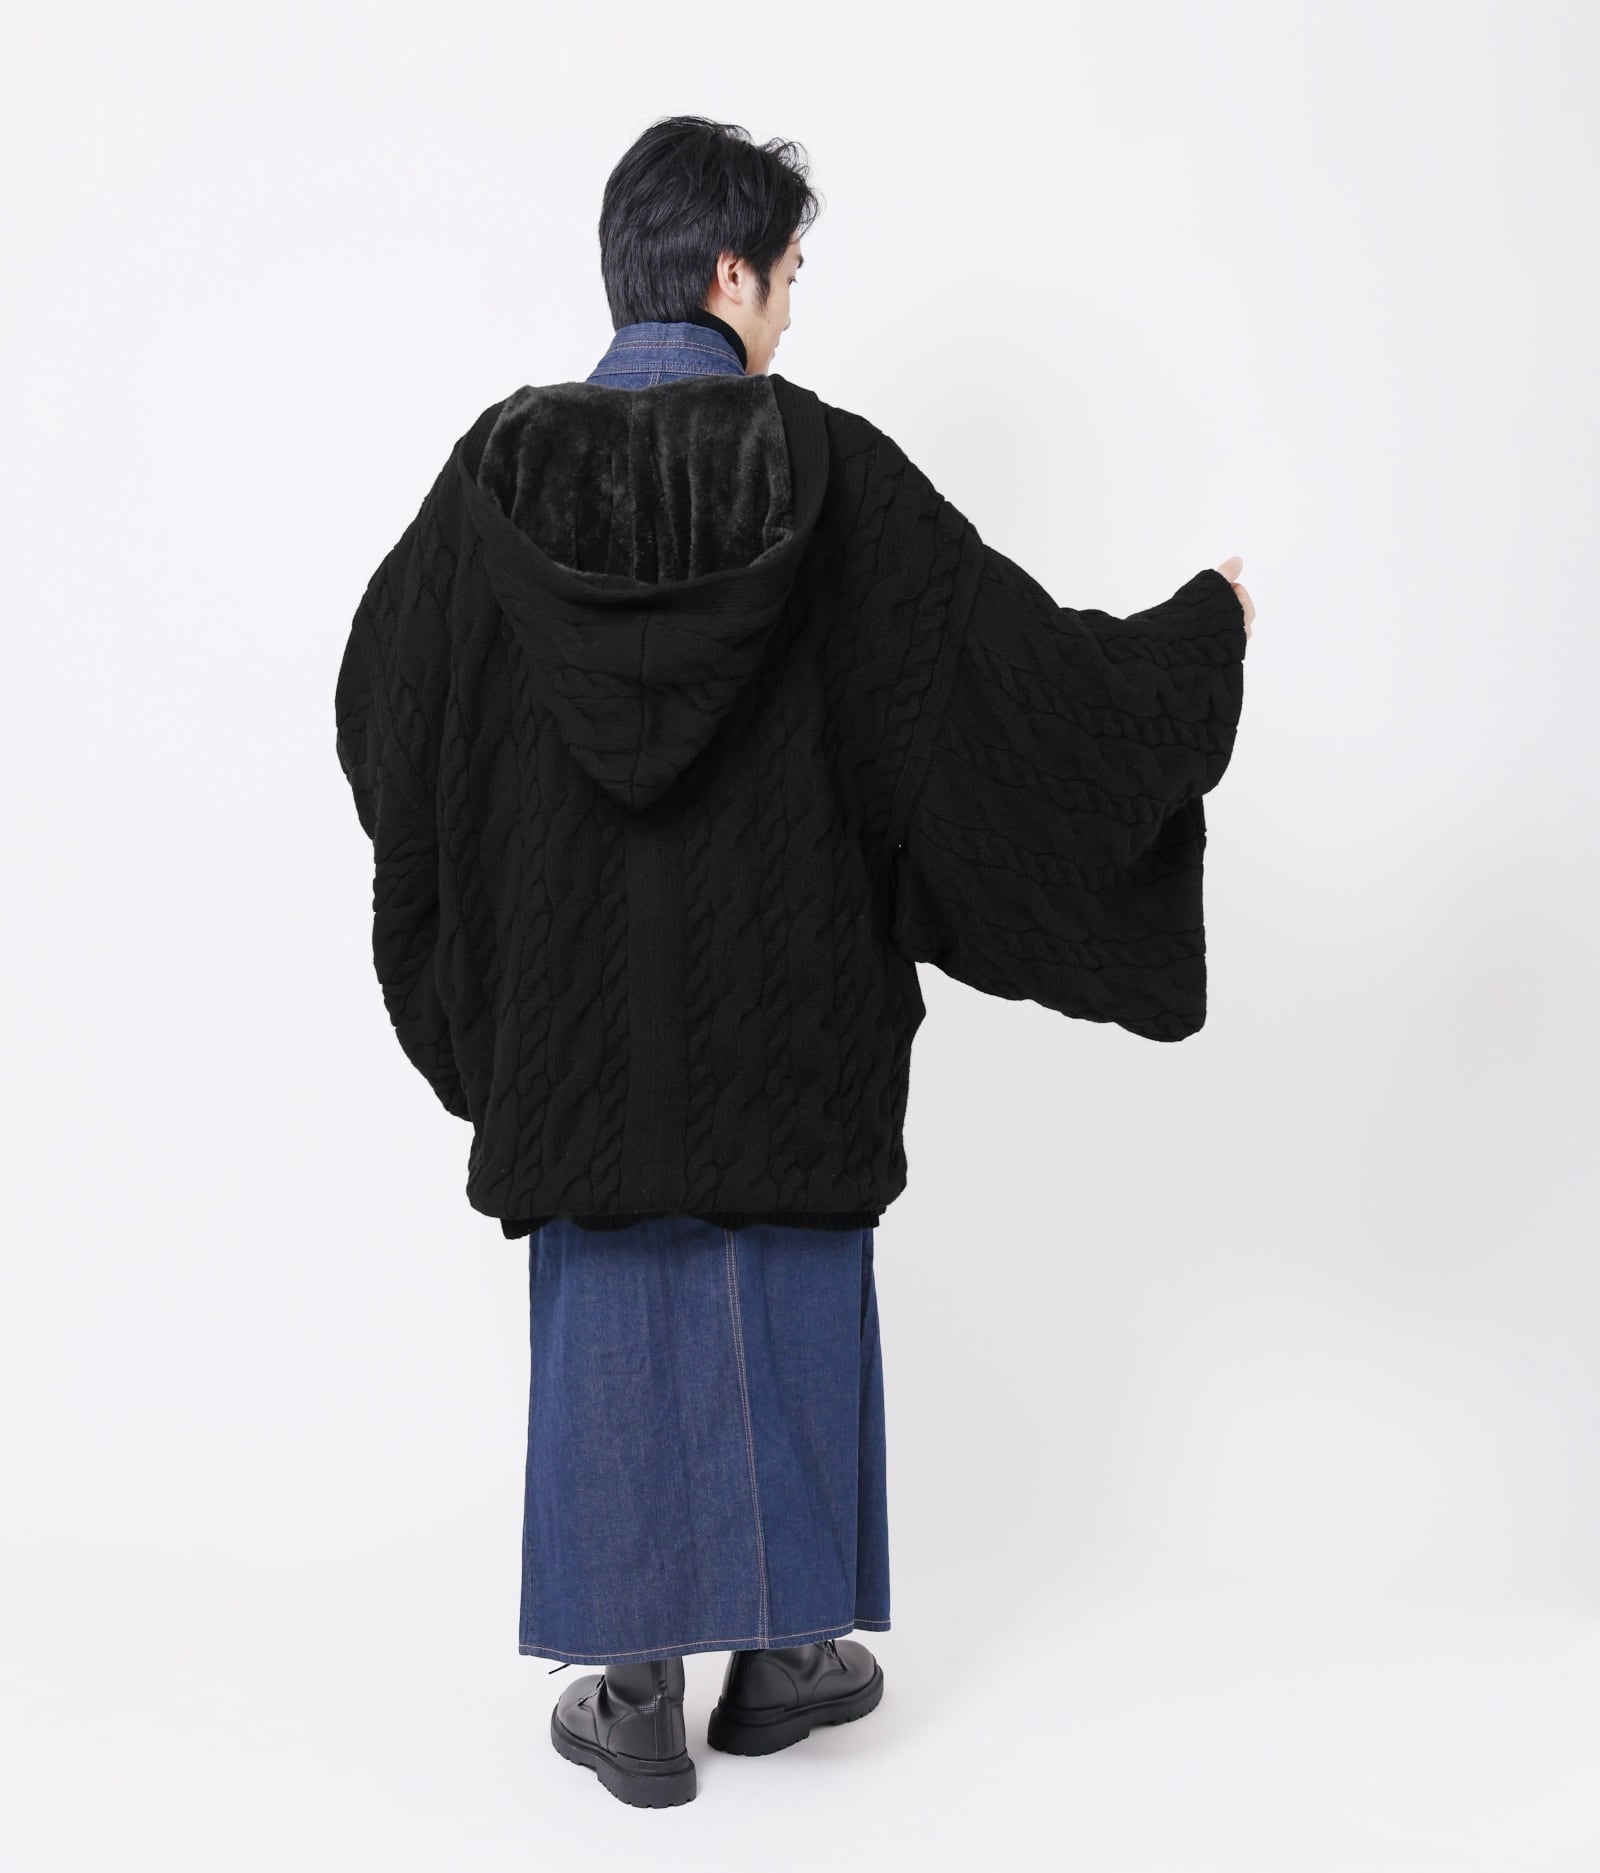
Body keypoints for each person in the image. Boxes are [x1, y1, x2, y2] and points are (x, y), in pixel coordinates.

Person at [334, 114, 1255, 1811]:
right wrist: (1201, 636)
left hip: (583, 1050)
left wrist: (507, 935)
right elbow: (1022, 705)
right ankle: (787, 1651)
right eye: (789, 277)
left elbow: (387, 714)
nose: (791, 312)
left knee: (617, 1280)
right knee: (782, 1274)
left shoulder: (486, 486)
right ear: (730, 273)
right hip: (788, 1024)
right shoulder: (834, 477)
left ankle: (631, 1685)